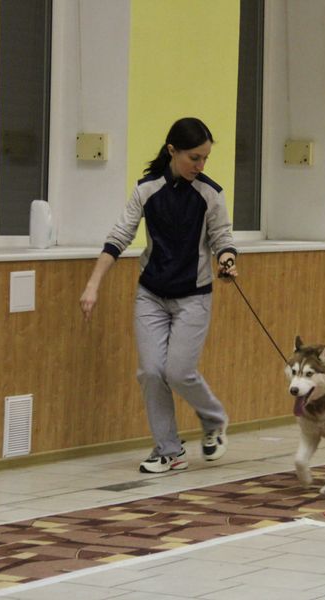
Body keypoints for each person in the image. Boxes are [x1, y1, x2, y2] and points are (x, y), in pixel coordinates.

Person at [79, 117, 238, 474]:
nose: (200, 166)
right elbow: (119, 237)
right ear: (172, 151)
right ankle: (168, 449)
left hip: (193, 296)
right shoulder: (146, 190)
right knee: (151, 371)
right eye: (194, 158)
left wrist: (227, 259)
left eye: (204, 159)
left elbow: (222, 238)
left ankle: (213, 420)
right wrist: (93, 285)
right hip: (151, 294)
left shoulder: (209, 193)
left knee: (178, 371)